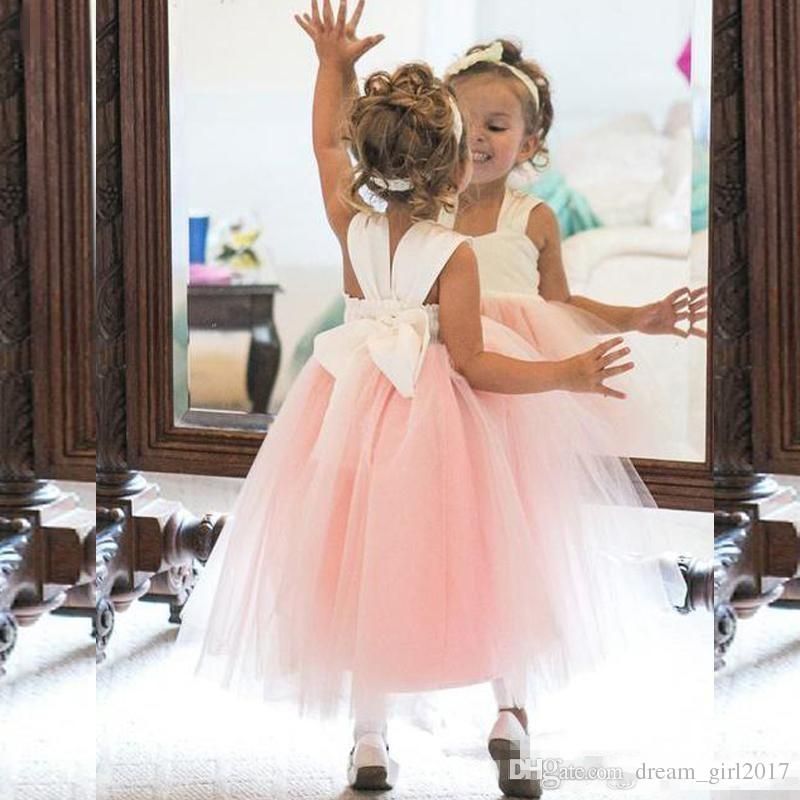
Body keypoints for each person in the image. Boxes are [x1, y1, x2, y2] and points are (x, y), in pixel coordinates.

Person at [174, 4, 691, 796]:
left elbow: (321, 143)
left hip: (348, 411)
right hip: (445, 421)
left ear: (369, 162)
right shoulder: (453, 255)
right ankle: (511, 715)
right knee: (498, 554)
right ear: (453, 172)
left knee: (367, 563)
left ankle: (369, 741)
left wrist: (331, 67)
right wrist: (566, 374)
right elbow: (476, 364)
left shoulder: (350, 226)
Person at [443, 39, 708, 454]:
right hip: (437, 378)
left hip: (515, 389)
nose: (475, 136)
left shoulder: (533, 218)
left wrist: (638, 317)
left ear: (527, 144)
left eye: (495, 127)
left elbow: (561, 306)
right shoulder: (425, 210)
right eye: (462, 123)